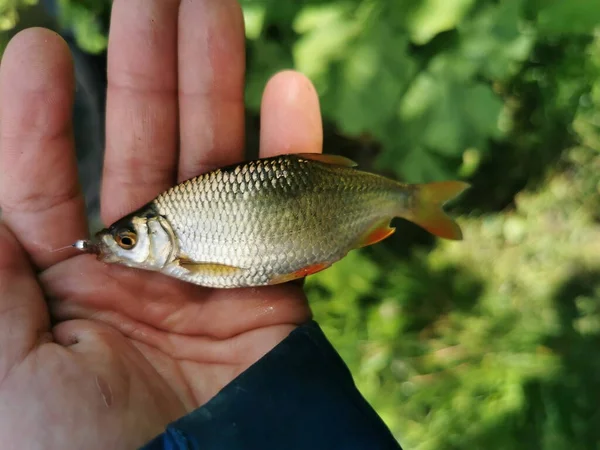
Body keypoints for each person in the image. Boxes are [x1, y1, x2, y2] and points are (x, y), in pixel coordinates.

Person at [0, 1, 403, 449]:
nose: (117, 248)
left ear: (158, 234)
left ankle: (408, 201)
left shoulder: (184, 255)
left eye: (128, 239)